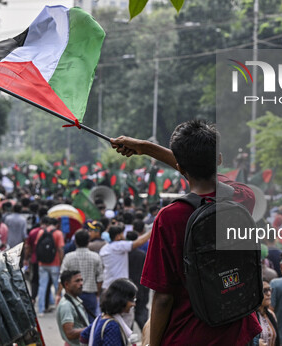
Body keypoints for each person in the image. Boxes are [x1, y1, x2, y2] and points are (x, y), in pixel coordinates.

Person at [111, 120, 261, 345]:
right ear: (219, 159)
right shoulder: (242, 198)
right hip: (237, 330)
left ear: (180, 168)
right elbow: (208, 175)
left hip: (188, 335)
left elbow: (163, 297)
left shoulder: (169, 217)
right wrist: (147, 147)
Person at [58, 229, 104, 321]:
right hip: (90, 293)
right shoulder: (95, 257)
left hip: (73, 293)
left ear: (75, 242)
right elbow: (100, 279)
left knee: (74, 321)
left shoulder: (68, 257)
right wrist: (97, 293)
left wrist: (58, 294)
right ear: (88, 241)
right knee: (91, 320)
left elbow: (62, 277)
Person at [80, 279, 137, 346]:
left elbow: (84, 335)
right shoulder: (112, 326)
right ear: (121, 299)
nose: (134, 304)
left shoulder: (101, 317)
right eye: (132, 300)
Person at [99, 225, 151, 290]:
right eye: (122, 234)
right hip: (119, 285)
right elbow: (138, 242)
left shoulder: (104, 248)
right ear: (118, 236)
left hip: (107, 284)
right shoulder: (119, 246)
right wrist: (151, 232)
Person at [36, 215, 65, 316]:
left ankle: (41, 309)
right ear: (57, 225)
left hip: (42, 264)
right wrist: (62, 262)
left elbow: (37, 246)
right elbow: (60, 249)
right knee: (58, 286)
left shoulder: (41, 232)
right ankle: (61, 310)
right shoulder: (58, 233)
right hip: (55, 264)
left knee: (42, 286)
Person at [56, 270, 89, 346]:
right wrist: (92, 328)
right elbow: (70, 334)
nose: (81, 284)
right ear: (67, 284)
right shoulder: (66, 305)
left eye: (81, 280)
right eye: (77, 281)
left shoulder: (74, 300)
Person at [252, 280, 279, 346]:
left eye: (269, 290)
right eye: (264, 291)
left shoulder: (271, 314)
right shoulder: (251, 317)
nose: (269, 293)